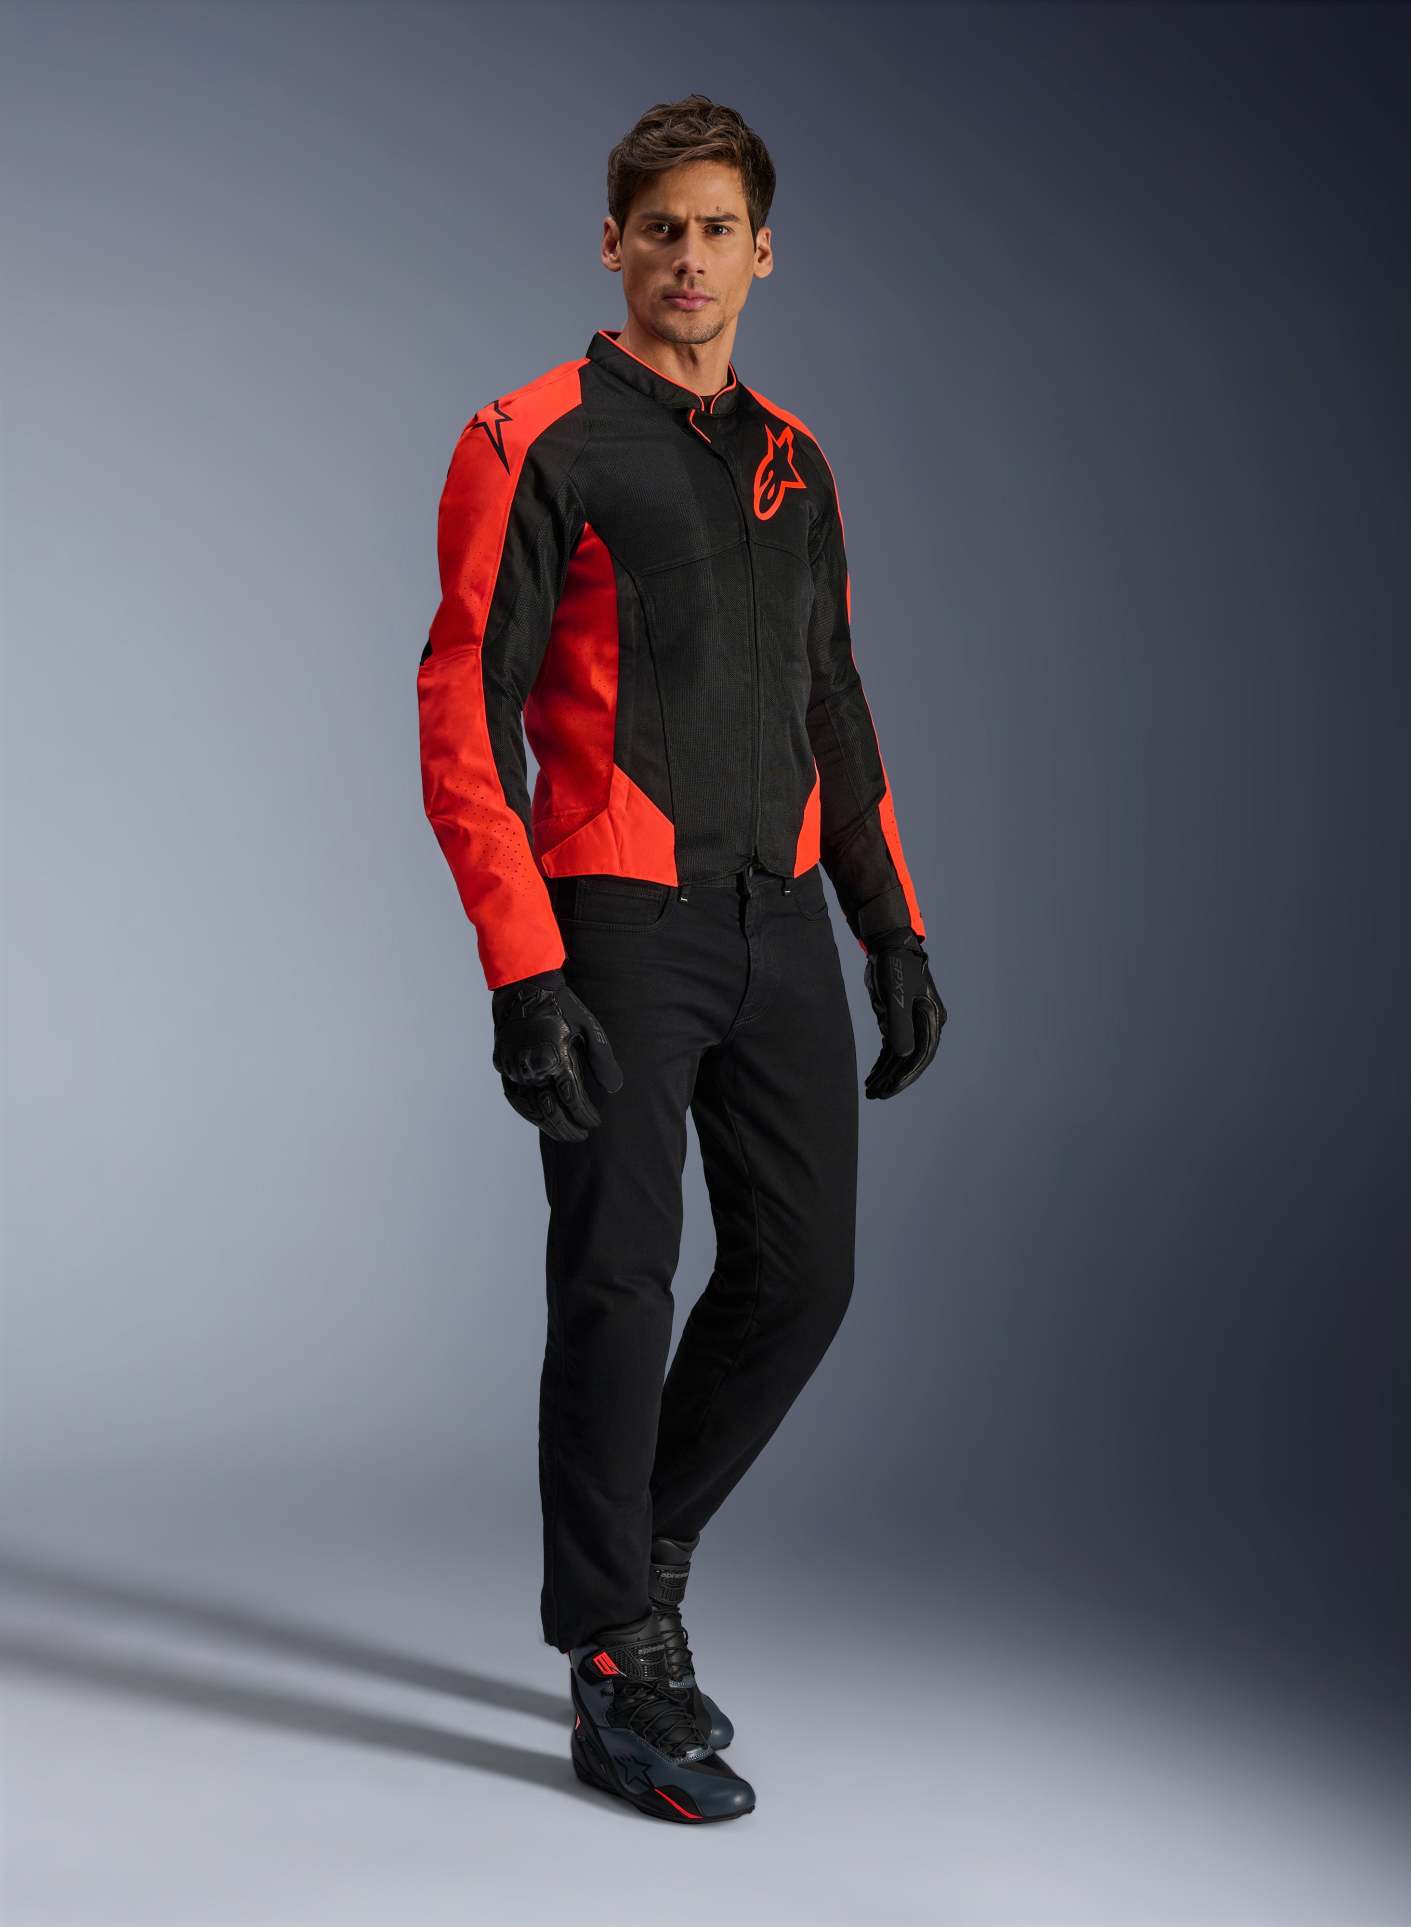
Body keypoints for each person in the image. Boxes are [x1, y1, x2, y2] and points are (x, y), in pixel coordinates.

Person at [417, 93, 945, 1824]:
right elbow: (462, 707)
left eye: (718, 229)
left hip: (778, 919)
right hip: (617, 926)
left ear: (761, 251)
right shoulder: (532, 438)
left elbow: (833, 702)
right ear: (612, 245)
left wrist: (890, 930)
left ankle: (634, 1560)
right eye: (661, 228)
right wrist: (521, 966)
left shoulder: (798, 460)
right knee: (617, 1282)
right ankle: (612, 1658)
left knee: (802, 1275)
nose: (689, 257)